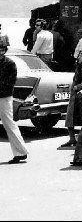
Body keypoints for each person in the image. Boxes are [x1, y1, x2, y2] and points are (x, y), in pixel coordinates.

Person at [0, 35, 28, 163]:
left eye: (2, 49)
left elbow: (9, 83)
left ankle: (20, 152)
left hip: (4, 97)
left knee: (9, 123)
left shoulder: (10, 64)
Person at [61, 51, 82, 148]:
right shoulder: (78, 67)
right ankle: (72, 138)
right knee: (70, 117)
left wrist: (79, 87)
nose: (78, 57)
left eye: (81, 56)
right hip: (74, 95)